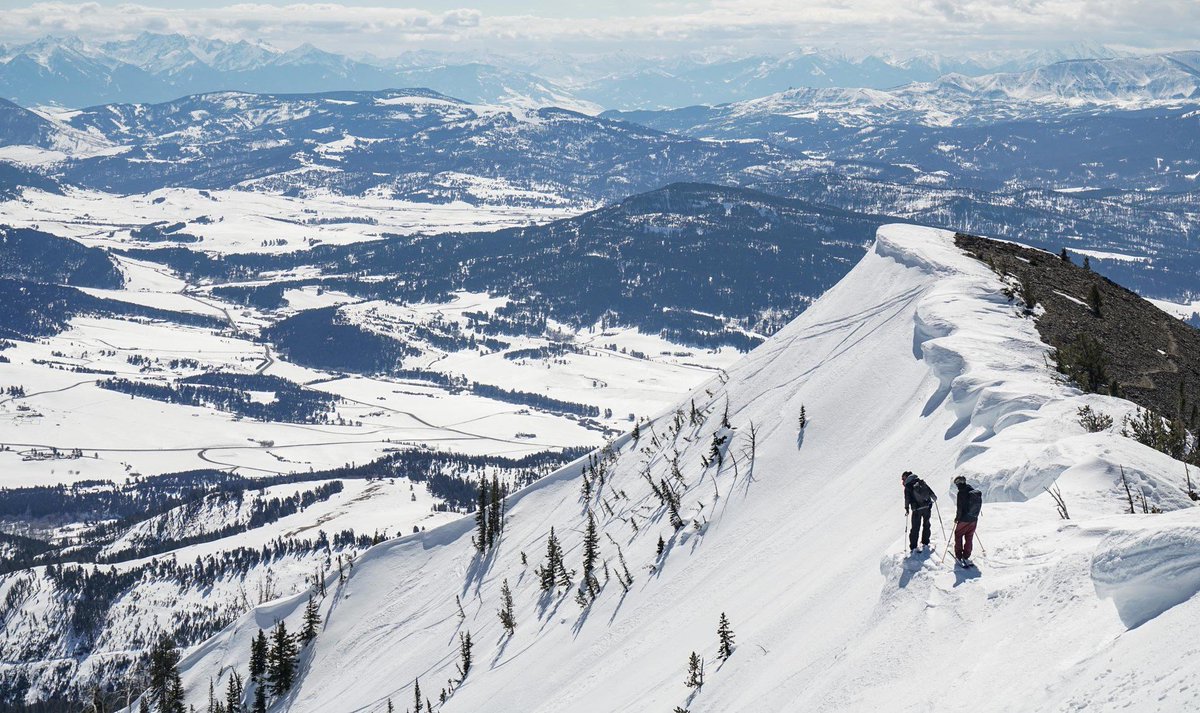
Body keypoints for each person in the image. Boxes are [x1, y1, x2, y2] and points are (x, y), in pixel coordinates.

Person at [902, 471, 936, 553]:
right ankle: (925, 541)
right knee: (926, 524)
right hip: (927, 507)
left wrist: (906, 508)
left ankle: (913, 546)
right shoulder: (920, 482)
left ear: (907, 477)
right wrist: (933, 498)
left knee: (915, 528)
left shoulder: (908, 486)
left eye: (903, 478)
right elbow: (930, 492)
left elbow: (907, 499)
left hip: (917, 509)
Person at [953, 475, 983, 567]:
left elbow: (960, 508)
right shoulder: (973, 490)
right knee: (969, 537)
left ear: (958, 483)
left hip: (964, 519)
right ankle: (966, 556)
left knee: (958, 535)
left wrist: (957, 518)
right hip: (974, 519)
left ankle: (959, 556)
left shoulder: (961, 493)